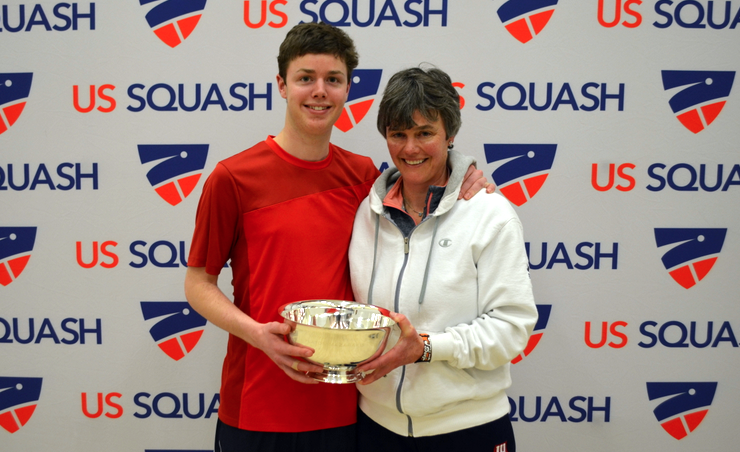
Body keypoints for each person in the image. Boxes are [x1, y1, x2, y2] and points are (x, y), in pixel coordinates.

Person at [184, 23, 491, 452]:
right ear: (281, 85)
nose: (319, 92)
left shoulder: (366, 177)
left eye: (333, 80)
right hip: (257, 405)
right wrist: (257, 335)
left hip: (346, 408)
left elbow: (428, 168)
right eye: (305, 78)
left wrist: (469, 174)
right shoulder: (233, 178)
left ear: (349, 89)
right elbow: (197, 282)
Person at [348, 66, 538, 452]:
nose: (410, 149)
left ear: (450, 135)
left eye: (424, 133)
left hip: (467, 430)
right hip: (375, 425)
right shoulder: (366, 213)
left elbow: (512, 329)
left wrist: (428, 347)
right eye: (398, 135)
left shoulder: (489, 214)